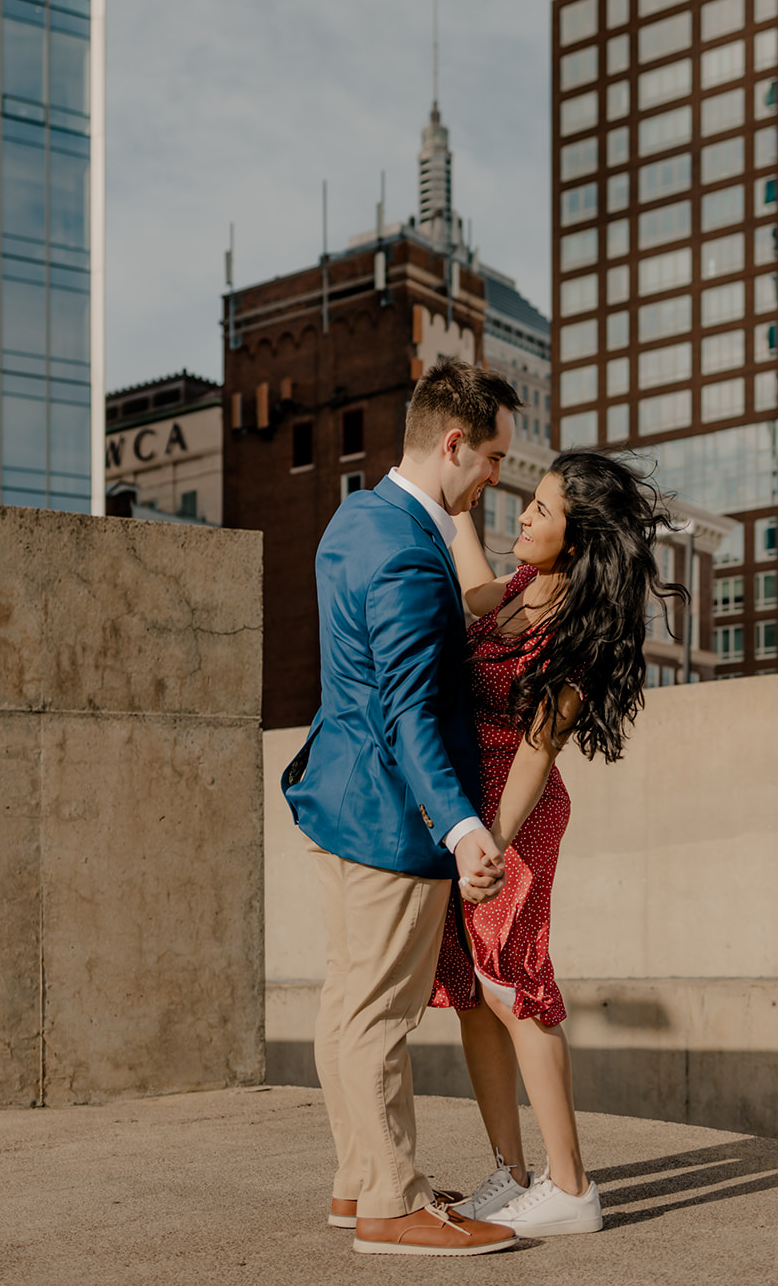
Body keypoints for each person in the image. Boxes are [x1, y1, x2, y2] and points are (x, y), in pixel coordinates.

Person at [282, 359, 524, 1258]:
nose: (496, 476)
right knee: (379, 1016)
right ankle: (390, 1204)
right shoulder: (411, 558)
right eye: (493, 457)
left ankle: (359, 1183)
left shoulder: (356, 518)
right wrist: (462, 828)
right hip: (391, 818)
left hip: (335, 797)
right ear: (453, 442)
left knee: (347, 1003)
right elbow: (412, 712)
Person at [430, 449, 684, 1238]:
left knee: (515, 988)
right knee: (473, 996)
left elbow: (536, 755)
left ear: (575, 540)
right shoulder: (513, 590)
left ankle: (570, 1185)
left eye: (541, 510)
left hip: (515, 812)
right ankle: (509, 1175)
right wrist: (453, 492)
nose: (525, 517)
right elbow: (472, 580)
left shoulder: (577, 630)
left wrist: (490, 846)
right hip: (466, 808)